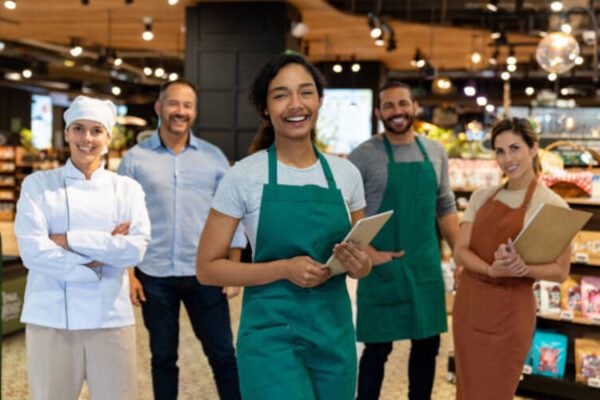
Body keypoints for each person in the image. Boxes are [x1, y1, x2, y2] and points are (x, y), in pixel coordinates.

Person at [196, 52, 371, 399]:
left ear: (320, 101)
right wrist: (282, 269)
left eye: (305, 92)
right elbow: (207, 268)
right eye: (281, 95)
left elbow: (361, 260)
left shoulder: (346, 175)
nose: (295, 104)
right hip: (270, 336)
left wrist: (359, 265)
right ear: (265, 107)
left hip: (333, 334)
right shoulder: (243, 175)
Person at [117, 79, 247, 400]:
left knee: (223, 355)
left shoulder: (213, 157)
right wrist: (129, 275)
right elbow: (122, 221)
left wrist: (234, 266)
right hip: (154, 275)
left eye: (188, 105)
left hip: (205, 271)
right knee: (163, 358)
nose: (181, 111)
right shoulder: (134, 160)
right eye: (174, 104)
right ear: (159, 108)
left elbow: (232, 213)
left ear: (195, 111)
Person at [15, 95, 151, 400]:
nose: (86, 138)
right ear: (65, 133)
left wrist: (69, 240)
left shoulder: (126, 189)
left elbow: (135, 250)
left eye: (96, 130)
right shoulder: (38, 186)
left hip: (110, 317)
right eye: (78, 128)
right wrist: (101, 257)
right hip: (50, 317)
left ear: (107, 136)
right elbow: (33, 253)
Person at [348, 80, 459, 400]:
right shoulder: (364, 155)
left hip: (424, 266)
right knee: (377, 349)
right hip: (381, 269)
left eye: (403, 104)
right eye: (389, 105)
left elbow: (445, 206)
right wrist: (365, 250)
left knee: (428, 345)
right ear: (378, 111)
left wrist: (460, 253)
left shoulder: (435, 151)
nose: (397, 111)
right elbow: (340, 207)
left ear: (415, 107)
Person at [452, 118, 571, 400]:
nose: (507, 159)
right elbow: (461, 250)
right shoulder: (482, 197)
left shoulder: (553, 205)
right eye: (500, 151)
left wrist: (523, 268)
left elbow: (560, 271)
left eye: (515, 148)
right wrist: (490, 270)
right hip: (469, 309)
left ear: (533, 148)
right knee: (467, 390)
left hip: (510, 315)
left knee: (496, 391)